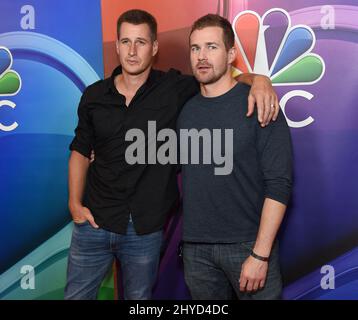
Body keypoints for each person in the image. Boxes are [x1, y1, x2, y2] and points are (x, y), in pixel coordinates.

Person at [65, 9, 280, 300]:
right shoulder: (93, 95)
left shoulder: (176, 88)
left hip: (145, 229)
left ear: (154, 48)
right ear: (116, 46)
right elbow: (79, 150)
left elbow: (221, 78)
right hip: (93, 223)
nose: (131, 50)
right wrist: (75, 204)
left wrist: (259, 80)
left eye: (140, 42)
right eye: (125, 42)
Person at [177, 14, 293, 300]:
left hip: (247, 247)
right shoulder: (186, 110)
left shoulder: (260, 103)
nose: (202, 57)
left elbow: (279, 184)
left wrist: (260, 255)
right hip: (196, 251)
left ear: (231, 54)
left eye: (211, 47)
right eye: (195, 48)